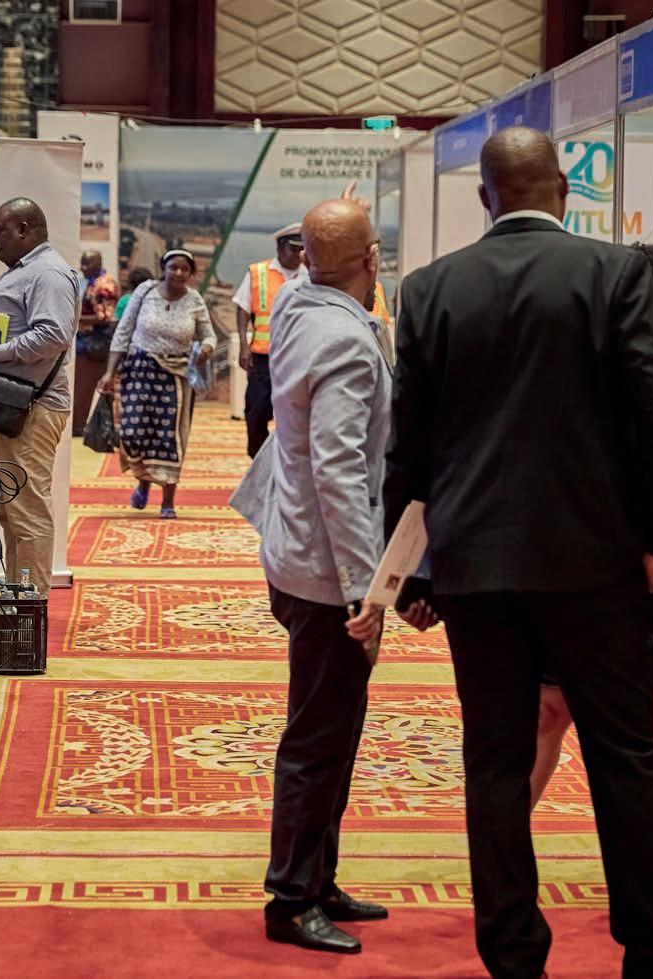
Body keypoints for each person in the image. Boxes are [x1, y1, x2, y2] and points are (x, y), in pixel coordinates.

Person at [382, 127, 653, 979]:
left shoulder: (429, 289)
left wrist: (413, 573)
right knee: (626, 760)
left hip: (476, 567)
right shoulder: (614, 275)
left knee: (496, 764)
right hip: (597, 566)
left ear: (484, 197)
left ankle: (513, 956)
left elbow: (408, 447)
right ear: (564, 193)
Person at [230, 197, 429, 955]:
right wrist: (363, 590)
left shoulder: (297, 302)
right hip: (326, 572)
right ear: (372, 260)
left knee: (335, 726)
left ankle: (319, 877)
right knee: (319, 736)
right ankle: (291, 897)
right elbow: (340, 471)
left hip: (296, 549)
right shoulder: (344, 336)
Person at [530, 244, 653, 809]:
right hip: (581, 561)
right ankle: (504, 840)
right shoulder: (581, 372)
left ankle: (652, 840)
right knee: (551, 704)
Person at [0, 197, 80, 592]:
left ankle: (31, 607)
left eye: (0, 230)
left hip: (30, 409)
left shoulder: (48, 274)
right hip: (16, 407)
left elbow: (53, 334)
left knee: (27, 513)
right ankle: (17, 603)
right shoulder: (30, 271)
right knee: (13, 513)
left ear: (24, 229)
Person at [100, 249, 215, 519]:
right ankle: (143, 481)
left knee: (170, 438)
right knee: (132, 433)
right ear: (164, 268)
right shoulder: (145, 292)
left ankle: (167, 501)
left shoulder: (194, 300)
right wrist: (109, 373)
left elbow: (209, 335)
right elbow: (123, 331)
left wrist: (207, 348)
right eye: (173, 267)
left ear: (191, 274)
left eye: (184, 269)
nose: (178, 273)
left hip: (175, 377)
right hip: (139, 370)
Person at [233, 223, 306, 458]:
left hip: (298, 358)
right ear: (280, 247)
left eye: (302, 249)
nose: (299, 254)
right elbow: (243, 308)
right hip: (263, 358)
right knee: (256, 412)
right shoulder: (258, 272)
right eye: (294, 249)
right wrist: (244, 345)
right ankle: (259, 459)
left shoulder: (310, 274)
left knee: (294, 415)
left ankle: (286, 462)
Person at [78, 248, 119, 335]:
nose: (81, 268)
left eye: (86, 264)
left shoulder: (105, 286)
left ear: (98, 265)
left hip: (99, 336)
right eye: (82, 264)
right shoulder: (93, 282)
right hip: (90, 333)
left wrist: (77, 318)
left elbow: (104, 318)